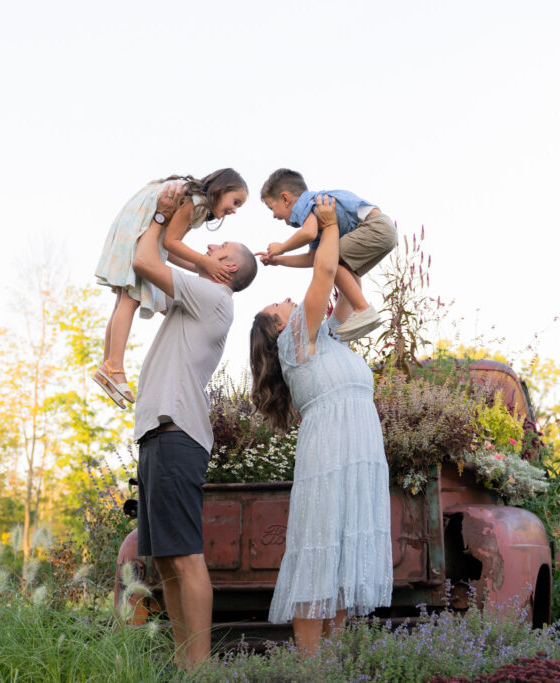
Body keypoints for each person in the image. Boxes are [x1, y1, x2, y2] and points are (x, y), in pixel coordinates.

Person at [249, 195, 392, 658]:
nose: (289, 298)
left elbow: (344, 287)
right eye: (280, 302)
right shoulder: (295, 342)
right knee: (320, 550)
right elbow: (324, 273)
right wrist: (328, 226)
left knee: (347, 549)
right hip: (330, 449)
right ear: (277, 328)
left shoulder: (325, 336)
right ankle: (310, 665)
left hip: (360, 446)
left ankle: (329, 660)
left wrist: (345, 241)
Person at [131, 183, 258, 670]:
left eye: (218, 249)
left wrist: (163, 219)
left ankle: (199, 669)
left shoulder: (210, 295)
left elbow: (146, 260)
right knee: (164, 560)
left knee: (184, 557)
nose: (208, 247)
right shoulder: (196, 296)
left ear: (227, 269)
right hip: (158, 435)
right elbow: (158, 267)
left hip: (176, 433)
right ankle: (186, 664)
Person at [93, 169, 248, 407]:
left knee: (123, 300)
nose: (234, 210)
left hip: (136, 224)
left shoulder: (197, 207)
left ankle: (108, 366)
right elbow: (169, 242)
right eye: (235, 201)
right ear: (222, 189)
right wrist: (204, 262)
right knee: (130, 299)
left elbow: (170, 250)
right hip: (140, 224)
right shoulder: (195, 201)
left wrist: (202, 269)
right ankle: (114, 366)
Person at [257, 168, 397, 342]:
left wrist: (282, 247)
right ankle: (357, 312)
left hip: (374, 228)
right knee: (330, 260)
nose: (273, 216)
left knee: (330, 260)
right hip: (383, 231)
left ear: (285, 199)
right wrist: (278, 261)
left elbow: (308, 234)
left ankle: (362, 309)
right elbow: (312, 258)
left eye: (272, 208)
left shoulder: (304, 204)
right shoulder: (315, 216)